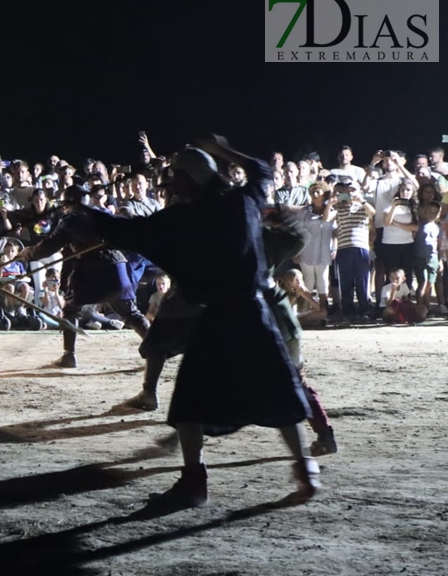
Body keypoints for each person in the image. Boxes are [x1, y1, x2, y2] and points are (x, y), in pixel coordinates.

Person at [73, 135, 320, 508]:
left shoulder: (183, 219)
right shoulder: (243, 200)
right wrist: (223, 148)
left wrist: (85, 211)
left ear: (190, 180)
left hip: (219, 316)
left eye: (176, 177)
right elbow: (261, 170)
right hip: (254, 314)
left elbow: (132, 232)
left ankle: (194, 483)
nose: (171, 183)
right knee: (278, 392)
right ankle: (306, 471)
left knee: (190, 401)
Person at [16, 184, 149, 368]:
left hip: (92, 267)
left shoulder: (72, 218)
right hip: (117, 265)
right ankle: (155, 351)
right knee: (130, 312)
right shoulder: (102, 215)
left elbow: (49, 246)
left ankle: (69, 355)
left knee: (71, 308)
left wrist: (29, 253)